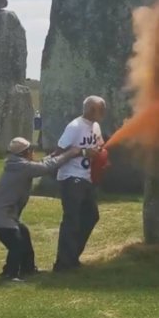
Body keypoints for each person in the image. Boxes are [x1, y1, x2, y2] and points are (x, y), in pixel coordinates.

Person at [0, 138, 82, 281]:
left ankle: (28, 269)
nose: (34, 152)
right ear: (26, 153)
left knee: (23, 234)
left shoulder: (18, 164)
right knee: (17, 244)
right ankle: (11, 275)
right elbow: (46, 167)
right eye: (31, 150)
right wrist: (70, 153)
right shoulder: (23, 167)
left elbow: (41, 163)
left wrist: (55, 154)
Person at [52, 96, 106, 273]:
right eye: (101, 110)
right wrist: (83, 152)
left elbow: (99, 146)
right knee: (72, 219)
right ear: (91, 110)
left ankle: (72, 256)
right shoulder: (74, 127)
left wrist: (100, 154)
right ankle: (62, 264)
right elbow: (58, 153)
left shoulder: (95, 126)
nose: (104, 113)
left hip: (87, 178)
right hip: (71, 178)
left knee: (91, 216)